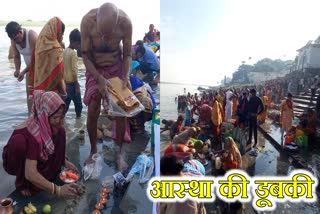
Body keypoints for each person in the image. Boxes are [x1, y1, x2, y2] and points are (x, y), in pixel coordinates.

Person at [80, 3, 132, 168]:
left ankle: (118, 152)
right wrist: (98, 77)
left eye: (108, 35)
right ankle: (93, 150)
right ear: (96, 20)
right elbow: (85, 56)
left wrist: (126, 75)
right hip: (94, 68)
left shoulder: (126, 23)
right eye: (101, 34)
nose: (104, 38)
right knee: (93, 106)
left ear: (117, 23)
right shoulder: (87, 21)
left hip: (116, 68)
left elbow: (128, 54)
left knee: (122, 109)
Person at [2, 91, 80, 197]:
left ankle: (49, 173)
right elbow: (30, 173)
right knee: (19, 143)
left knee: (61, 131)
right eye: (55, 117)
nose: (59, 121)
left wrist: (64, 162)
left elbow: (55, 147)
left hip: (34, 154)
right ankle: (23, 183)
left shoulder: (54, 125)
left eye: (61, 116)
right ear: (44, 115)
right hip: (17, 157)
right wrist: (57, 190)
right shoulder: (33, 134)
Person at [28, 17, 66, 99]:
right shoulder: (56, 49)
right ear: (57, 32)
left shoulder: (39, 46)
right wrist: (64, 94)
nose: (62, 36)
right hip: (52, 95)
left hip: (38, 93)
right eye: (61, 34)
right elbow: (59, 75)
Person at [5, 21, 38, 113]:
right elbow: (16, 56)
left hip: (41, 69)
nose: (15, 41)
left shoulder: (31, 36)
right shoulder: (13, 40)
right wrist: (17, 70)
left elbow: (35, 60)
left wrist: (23, 72)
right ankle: (30, 116)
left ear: (20, 32)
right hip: (29, 70)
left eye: (16, 38)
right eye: (13, 39)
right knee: (29, 95)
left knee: (40, 95)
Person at [63, 29, 83, 118]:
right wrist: (77, 85)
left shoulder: (64, 51)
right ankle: (78, 120)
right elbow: (74, 71)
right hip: (72, 84)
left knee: (65, 105)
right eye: (79, 43)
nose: (79, 46)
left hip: (65, 83)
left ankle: (61, 121)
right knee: (79, 105)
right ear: (74, 42)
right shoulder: (73, 54)